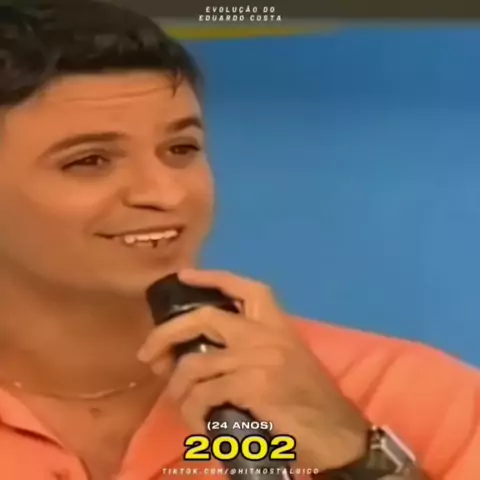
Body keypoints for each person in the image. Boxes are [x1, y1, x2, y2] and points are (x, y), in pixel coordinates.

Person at [0, 1, 477, 479]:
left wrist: (346, 449)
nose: (166, 193)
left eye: (181, 148)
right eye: (89, 161)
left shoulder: (410, 392)